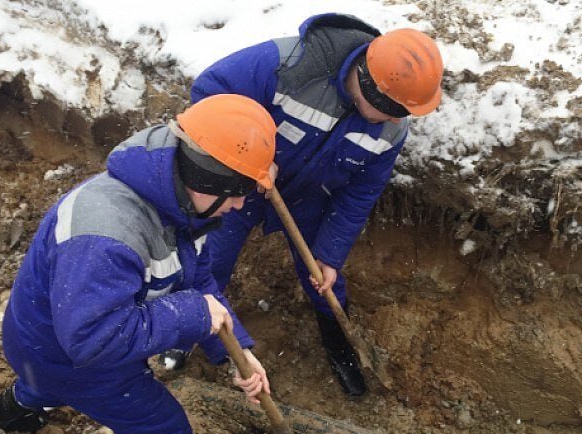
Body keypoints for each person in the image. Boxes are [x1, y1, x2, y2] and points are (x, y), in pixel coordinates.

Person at [0, 94, 276, 434]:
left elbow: (199, 282)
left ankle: (8, 416)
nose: (241, 204)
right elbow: (94, 339)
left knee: (43, 385)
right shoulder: (106, 230)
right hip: (65, 353)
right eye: (238, 190)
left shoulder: (185, 207)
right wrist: (193, 315)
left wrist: (237, 352)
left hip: (46, 342)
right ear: (208, 179)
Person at [160, 14, 444, 397]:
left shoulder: (390, 129)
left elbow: (361, 192)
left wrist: (330, 255)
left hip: (311, 198)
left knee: (324, 276)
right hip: (240, 184)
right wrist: (250, 148)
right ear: (370, 90)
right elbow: (212, 91)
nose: (398, 120)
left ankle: (337, 339)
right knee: (209, 260)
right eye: (396, 109)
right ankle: (185, 330)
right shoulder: (287, 64)